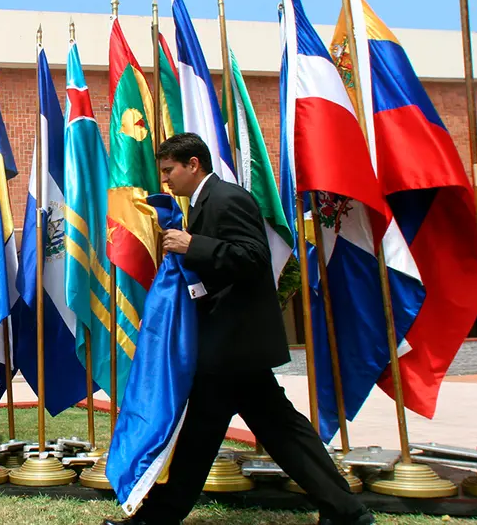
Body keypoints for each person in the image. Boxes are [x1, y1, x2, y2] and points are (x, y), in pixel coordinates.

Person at [104, 134, 372, 525]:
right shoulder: (202, 203)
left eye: (169, 171)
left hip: (233, 345)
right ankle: (347, 512)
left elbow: (252, 257)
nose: (165, 181)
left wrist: (192, 244)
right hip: (228, 347)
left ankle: (156, 519)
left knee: (235, 435)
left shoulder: (227, 199)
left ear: (193, 164)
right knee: (265, 432)